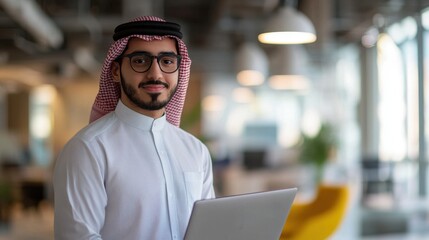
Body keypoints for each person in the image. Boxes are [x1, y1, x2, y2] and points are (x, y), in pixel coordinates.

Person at [53, 16, 216, 240]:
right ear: (116, 71)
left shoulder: (196, 151)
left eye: (167, 61)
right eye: (140, 61)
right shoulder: (89, 149)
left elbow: (209, 230)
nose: (156, 74)